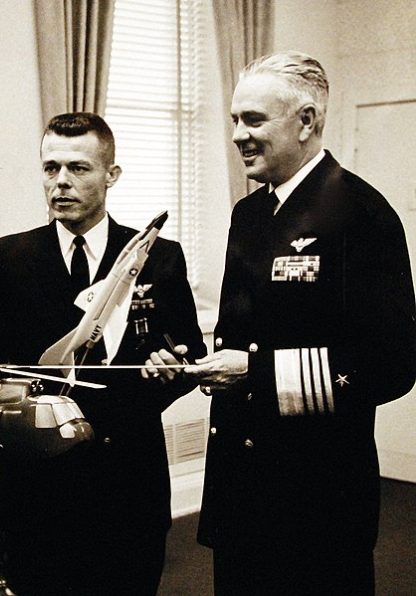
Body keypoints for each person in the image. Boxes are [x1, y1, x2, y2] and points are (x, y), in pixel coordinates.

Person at [148, 51, 416, 594]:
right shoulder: (248, 214)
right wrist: (191, 363)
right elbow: (244, 333)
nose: (238, 136)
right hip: (241, 489)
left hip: (317, 498)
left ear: (307, 121)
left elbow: (393, 365)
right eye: (233, 120)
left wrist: (256, 374)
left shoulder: (362, 214)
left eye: (253, 120)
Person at [0, 112, 206, 595]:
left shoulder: (157, 257)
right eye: (50, 168)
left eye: (78, 168)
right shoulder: (5, 259)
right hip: (39, 489)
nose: (61, 181)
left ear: (111, 174)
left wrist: (166, 371)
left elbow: (189, 353)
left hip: (126, 480)